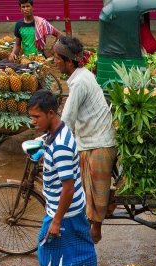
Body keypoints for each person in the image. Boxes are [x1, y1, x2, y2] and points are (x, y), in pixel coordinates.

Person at [27, 89, 98, 266]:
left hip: (64, 209)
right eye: (31, 116)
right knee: (81, 247)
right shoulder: (59, 131)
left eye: (36, 116)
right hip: (74, 207)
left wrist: (57, 220)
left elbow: (67, 188)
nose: (33, 121)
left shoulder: (61, 147)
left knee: (46, 249)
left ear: (51, 113)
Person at [53, 36, 116, 245]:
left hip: (99, 142)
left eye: (56, 58)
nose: (54, 62)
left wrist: (49, 142)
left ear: (68, 61)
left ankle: (96, 231)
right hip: (90, 138)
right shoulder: (81, 76)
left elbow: (66, 120)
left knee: (96, 193)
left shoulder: (80, 82)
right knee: (88, 191)